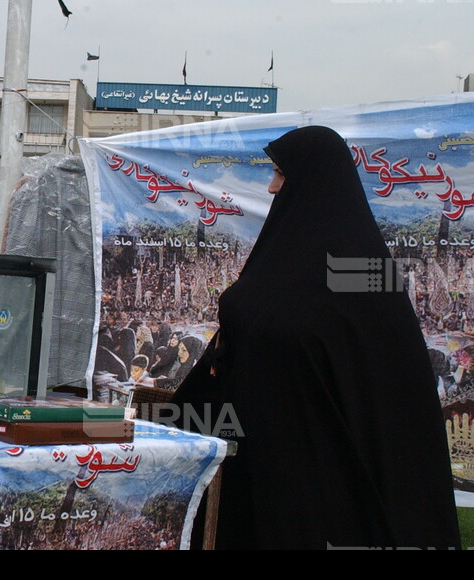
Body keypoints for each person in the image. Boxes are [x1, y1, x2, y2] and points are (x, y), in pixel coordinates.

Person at [172, 125, 461, 549]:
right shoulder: (282, 258)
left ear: (314, 180)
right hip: (259, 462)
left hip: (327, 481)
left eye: (280, 174)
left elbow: (323, 333)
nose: (272, 188)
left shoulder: (368, 271)